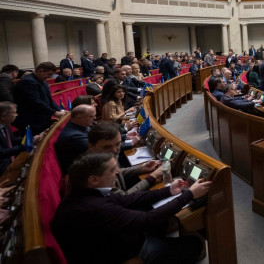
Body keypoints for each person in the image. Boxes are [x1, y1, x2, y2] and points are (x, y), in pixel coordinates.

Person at [52, 152, 210, 264]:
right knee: (194, 244)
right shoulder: (93, 208)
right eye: (112, 170)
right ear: (93, 179)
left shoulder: (86, 190)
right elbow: (147, 220)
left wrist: (169, 190)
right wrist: (189, 195)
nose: (118, 172)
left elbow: (128, 199)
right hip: (117, 253)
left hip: (112, 240)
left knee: (156, 219)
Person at [87, 122, 162, 195]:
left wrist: (142, 168)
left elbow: (117, 172)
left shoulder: (105, 156)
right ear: (91, 146)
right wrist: (153, 177)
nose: (114, 150)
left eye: (118, 144)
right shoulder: (92, 170)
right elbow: (123, 198)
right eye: (106, 147)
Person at [12, 62, 66, 135]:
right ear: (40, 71)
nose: (50, 77)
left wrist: (60, 109)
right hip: (31, 120)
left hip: (42, 118)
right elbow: (35, 102)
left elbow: (49, 99)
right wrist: (54, 112)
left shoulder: (42, 81)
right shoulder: (29, 81)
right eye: (49, 74)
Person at [54, 105, 96, 174]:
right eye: (91, 116)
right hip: (82, 172)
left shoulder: (81, 125)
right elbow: (97, 150)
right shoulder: (74, 137)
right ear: (79, 118)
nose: (95, 118)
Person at [0, 102, 31, 175]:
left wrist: (29, 139)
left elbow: (12, 140)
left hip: (11, 160)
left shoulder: (5, 124)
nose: (16, 115)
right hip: (3, 167)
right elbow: (1, 152)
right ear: (4, 116)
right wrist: (23, 146)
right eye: (14, 113)